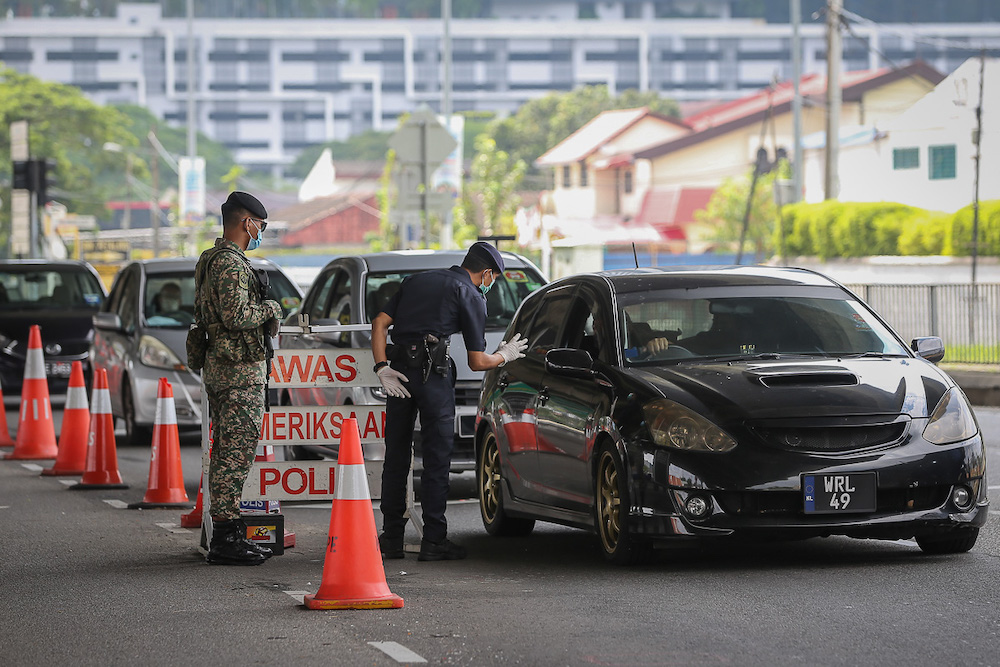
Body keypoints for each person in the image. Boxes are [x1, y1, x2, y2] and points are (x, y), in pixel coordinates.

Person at [371, 242, 528, 561]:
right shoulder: (470, 295)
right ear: (486, 273)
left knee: (397, 454)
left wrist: (381, 367)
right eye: (493, 277)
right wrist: (504, 355)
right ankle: (434, 540)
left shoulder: (415, 281)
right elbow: (477, 361)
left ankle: (391, 538)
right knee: (436, 457)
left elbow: (379, 324)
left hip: (398, 374)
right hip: (434, 377)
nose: (491, 283)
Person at [195, 191, 283, 566]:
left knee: (227, 452)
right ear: (247, 222)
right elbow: (236, 317)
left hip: (224, 367)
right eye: (259, 225)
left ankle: (226, 534)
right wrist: (271, 308)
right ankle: (226, 540)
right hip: (237, 372)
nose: (260, 231)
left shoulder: (210, 258)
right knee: (234, 454)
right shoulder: (230, 264)